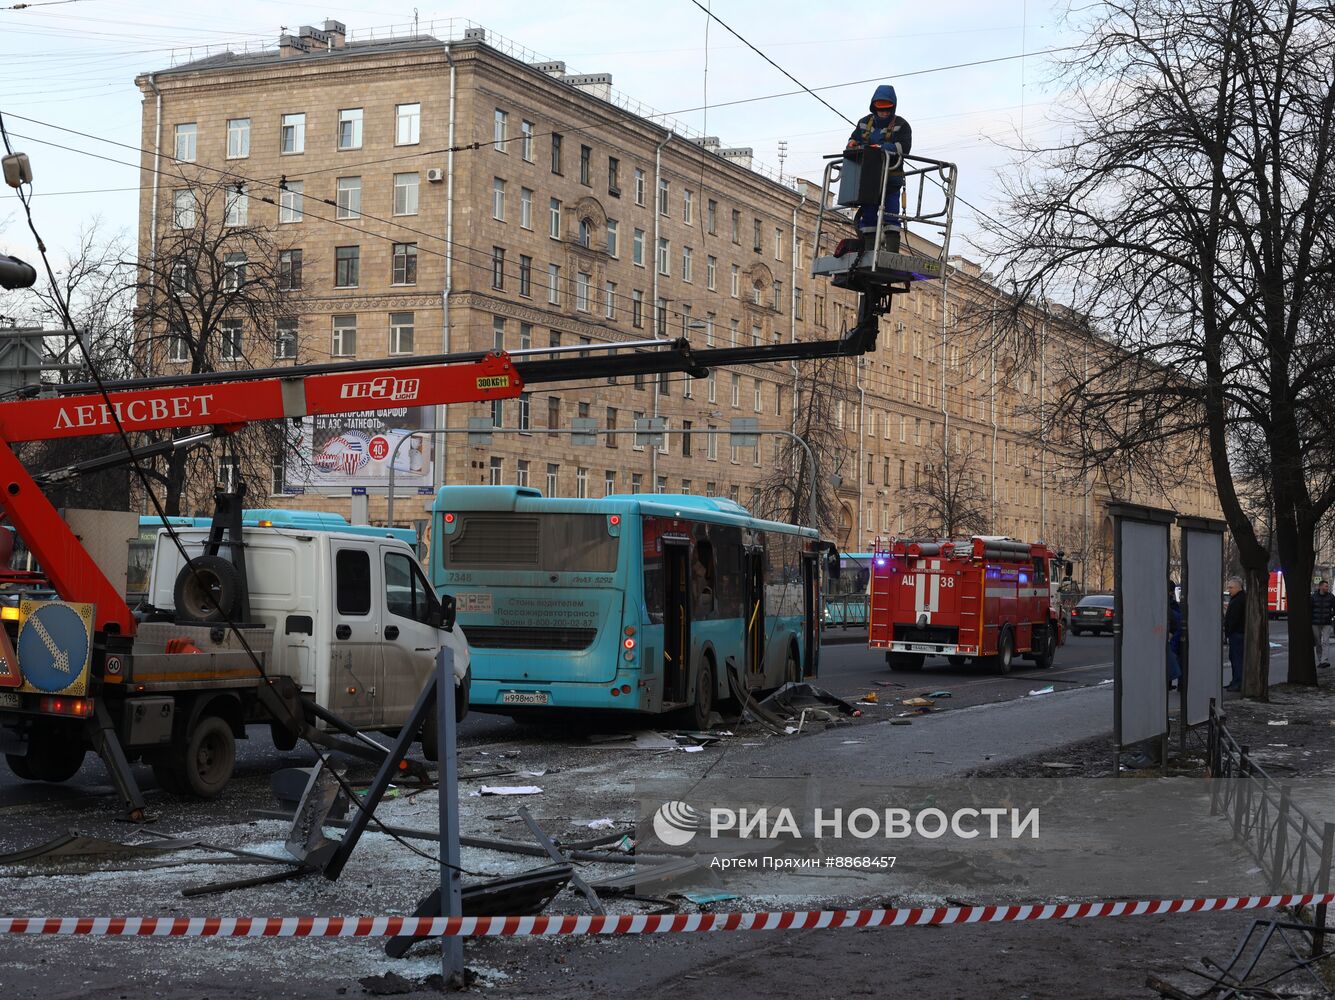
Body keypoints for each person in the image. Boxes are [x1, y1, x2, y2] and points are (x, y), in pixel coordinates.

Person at [845, 84, 913, 250]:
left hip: (891, 179)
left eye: (887, 110)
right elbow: (854, 139)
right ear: (874, 107)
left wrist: (882, 148)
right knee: (868, 213)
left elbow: (904, 148)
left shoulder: (901, 125)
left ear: (892, 108)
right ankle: (869, 248)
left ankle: (892, 249)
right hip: (868, 179)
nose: (883, 113)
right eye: (880, 109)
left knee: (891, 213)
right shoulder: (864, 123)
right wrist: (852, 143)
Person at [1224, 576, 1246, 692]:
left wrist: (1229, 630)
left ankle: (1238, 683)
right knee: (1234, 658)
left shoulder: (1239, 600)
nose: (1229, 590)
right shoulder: (1238, 598)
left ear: (1238, 587)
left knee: (1237, 659)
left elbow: (1234, 619)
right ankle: (1235, 681)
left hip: (1237, 633)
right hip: (1236, 633)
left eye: (1231, 587)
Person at [1312, 579, 1335, 669]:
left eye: (1327, 586)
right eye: (1326, 586)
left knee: (1325, 641)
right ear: (1320, 587)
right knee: (1318, 642)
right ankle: (1320, 659)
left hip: (1327, 623)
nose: (1327, 588)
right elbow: (1310, 609)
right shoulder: (1313, 597)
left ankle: (1324, 660)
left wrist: (1330, 615)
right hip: (1315, 623)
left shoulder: (1331, 597)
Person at [1167, 583, 1183, 690]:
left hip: (1172, 637)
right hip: (1173, 636)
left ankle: (1168, 683)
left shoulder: (1167, 604)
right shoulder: (1173, 604)